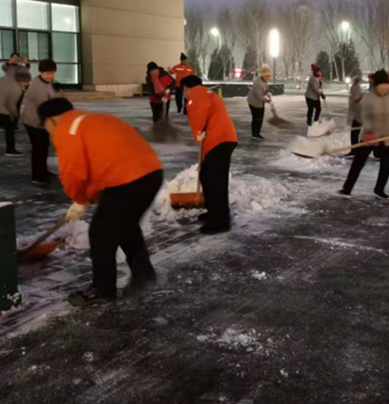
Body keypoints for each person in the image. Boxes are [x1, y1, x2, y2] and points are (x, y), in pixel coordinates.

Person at [38, 97, 163, 306]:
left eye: (45, 126)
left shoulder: (66, 130)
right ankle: (143, 275)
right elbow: (98, 165)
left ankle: (103, 289)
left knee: (101, 233)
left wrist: (79, 199)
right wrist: (88, 196)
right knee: (125, 226)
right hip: (151, 174)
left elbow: (73, 173)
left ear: (51, 120)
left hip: (127, 180)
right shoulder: (96, 120)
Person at [339, 70, 389, 199]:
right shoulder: (368, 98)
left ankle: (379, 189)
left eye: (386, 86)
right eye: (381, 87)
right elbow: (365, 117)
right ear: (376, 86)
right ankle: (347, 188)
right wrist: (368, 132)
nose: (384, 89)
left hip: (387, 135)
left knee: (386, 164)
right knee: (358, 162)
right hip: (370, 136)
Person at [183, 75, 238, 235]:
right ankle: (214, 212)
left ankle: (220, 222)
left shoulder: (196, 93)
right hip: (220, 140)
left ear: (186, 88)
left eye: (183, 90)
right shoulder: (207, 93)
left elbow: (198, 114)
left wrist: (198, 132)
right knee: (207, 176)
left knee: (216, 182)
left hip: (219, 141)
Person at [21, 59, 59, 184]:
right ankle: (37, 175)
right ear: (41, 72)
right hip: (34, 121)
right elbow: (44, 108)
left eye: (52, 73)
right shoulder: (37, 86)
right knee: (38, 148)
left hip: (42, 121)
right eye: (47, 73)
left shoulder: (46, 82)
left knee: (43, 147)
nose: (50, 76)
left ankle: (43, 171)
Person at [247, 65, 272, 139]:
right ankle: (254, 134)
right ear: (263, 75)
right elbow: (259, 96)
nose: (268, 77)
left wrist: (268, 94)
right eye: (267, 76)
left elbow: (266, 90)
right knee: (256, 118)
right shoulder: (257, 83)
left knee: (260, 118)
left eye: (269, 76)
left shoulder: (265, 81)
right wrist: (268, 100)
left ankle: (257, 133)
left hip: (260, 103)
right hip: (253, 102)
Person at [347, 74, 363, 147]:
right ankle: (355, 148)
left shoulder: (355, 89)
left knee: (354, 134)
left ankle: (355, 149)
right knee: (355, 134)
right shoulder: (356, 89)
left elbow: (352, 109)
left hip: (357, 117)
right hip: (357, 117)